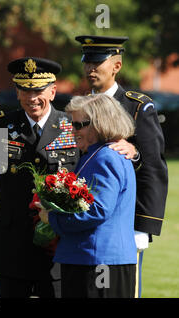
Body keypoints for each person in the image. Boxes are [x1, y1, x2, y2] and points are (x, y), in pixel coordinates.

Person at [0, 57, 80, 298]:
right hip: (12, 244)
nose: (32, 97)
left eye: (38, 90)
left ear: (53, 91)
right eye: (25, 90)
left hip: (57, 244)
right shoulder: (2, 125)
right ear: (17, 92)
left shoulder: (73, 126)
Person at [75, 35, 168, 297]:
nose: (90, 69)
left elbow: (154, 166)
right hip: (85, 216)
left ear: (116, 66)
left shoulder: (137, 105)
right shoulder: (80, 106)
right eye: (87, 62)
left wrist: (144, 225)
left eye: (97, 63)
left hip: (124, 223)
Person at [38, 94, 137, 298]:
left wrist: (53, 218)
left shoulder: (105, 157)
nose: (73, 131)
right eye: (71, 124)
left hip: (99, 260)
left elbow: (98, 210)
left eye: (78, 125)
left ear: (100, 123)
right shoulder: (98, 154)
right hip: (95, 258)